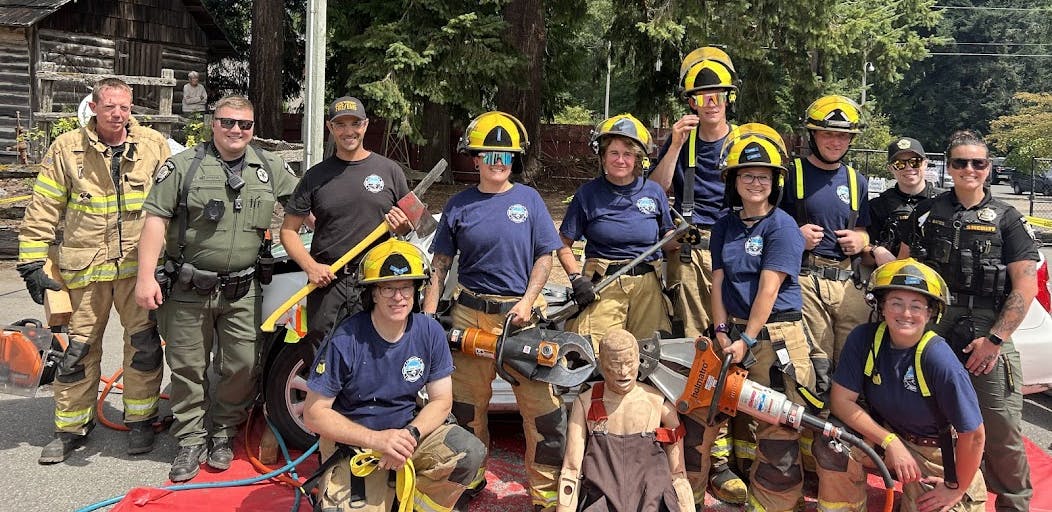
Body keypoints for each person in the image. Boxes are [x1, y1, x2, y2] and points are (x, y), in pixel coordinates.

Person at [135, 95, 299, 482]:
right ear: (213, 124)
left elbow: (309, 202)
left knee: (241, 365)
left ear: (253, 128)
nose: (236, 130)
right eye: (228, 122)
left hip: (243, 291)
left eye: (244, 124)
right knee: (189, 366)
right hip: (189, 289)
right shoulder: (183, 166)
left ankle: (224, 433)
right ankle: (191, 439)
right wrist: (145, 277)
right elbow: (155, 220)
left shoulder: (269, 166)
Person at [18, 77, 171, 464]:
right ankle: (70, 428)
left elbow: (173, 203)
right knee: (78, 353)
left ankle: (141, 420)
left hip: (138, 271)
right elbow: (43, 208)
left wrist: (171, 259)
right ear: (94, 107)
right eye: (109, 107)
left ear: (131, 106)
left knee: (144, 347)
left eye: (124, 107)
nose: (117, 115)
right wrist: (32, 263)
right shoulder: (67, 149)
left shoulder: (154, 145)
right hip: (84, 271)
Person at [421, 111, 565, 511]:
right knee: (467, 408)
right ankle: (473, 478)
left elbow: (545, 257)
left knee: (544, 415)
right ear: (475, 158)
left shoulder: (530, 200)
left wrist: (528, 300)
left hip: (520, 320)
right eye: (489, 154)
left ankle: (545, 496)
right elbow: (440, 265)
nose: (497, 162)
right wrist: (430, 318)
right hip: (469, 318)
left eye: (505, 156)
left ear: (513, 160)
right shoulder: (458, 205)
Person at [901, 130, 1038, 511]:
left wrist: (995, 341)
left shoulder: (1008, 219)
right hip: (933, 326)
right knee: (925, 416)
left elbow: (1026, 285)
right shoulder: (928, 211)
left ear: (988, 168)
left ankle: (1014, 503)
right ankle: (937, 495)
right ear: (949, 167)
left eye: (978, 162)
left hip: (987, 330)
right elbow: (906, 268)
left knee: (1001, 428)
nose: (969, 169)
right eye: (960, 162)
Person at [302, 239, 486, 511]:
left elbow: (441, 401)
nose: (398, 297)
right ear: (373, 293)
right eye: (388, 287)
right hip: (356, 445)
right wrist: (378, 440)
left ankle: (412, 504)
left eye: (405, 287)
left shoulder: (429, 332)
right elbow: (314, 414)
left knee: (469, 452)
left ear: (417, 289)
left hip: (407, 436)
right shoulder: (346, 338)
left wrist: (409, 436)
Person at [648, 46, 747, 505]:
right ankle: (704, 452)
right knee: (697, 350)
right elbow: (656, 192)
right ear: (691, 100)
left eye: (718, 94)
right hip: (690, 255)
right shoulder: (679, 141)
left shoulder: (746, 142)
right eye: (702, 94)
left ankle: (729, 453)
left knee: (739, 347)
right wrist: (672, 146)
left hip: (737, 252)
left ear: (729, 97)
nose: (711, 102)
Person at [708, 124, 820, 510]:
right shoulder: (725, 224)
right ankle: (738, 478)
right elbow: (718, 281)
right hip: (734, 331)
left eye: (763, 176)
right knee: (734, 412)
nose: (755, 183)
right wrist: (722, 332)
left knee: (777, 420)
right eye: (747, 175)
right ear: (733, 181)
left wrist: (747, 339)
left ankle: (778, 500)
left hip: (774, 336)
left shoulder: (783, 226)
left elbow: (769, 290)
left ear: (775, 182)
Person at [826, 259, 986, 512]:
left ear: (930, 313)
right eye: (896, 303)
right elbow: (840, 401)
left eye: (916, 306)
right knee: (833, 444)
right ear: (881, 306)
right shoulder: (864, 339)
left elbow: (975, 436)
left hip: (938, 456)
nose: (906, 314)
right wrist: (890, 441)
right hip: (891, 437)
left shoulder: (938, 359)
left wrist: (955, 488)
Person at [279, 96, 411, 351]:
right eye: (340, 125)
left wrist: (402, 227)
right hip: (329, 285)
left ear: (366, 125)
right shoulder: (315, 176)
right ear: (330, 128)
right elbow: (288, 231)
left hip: (377, 283)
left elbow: (415, 227)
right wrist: (311, 267)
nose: (348, 131)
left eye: (355, 123)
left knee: (377, 356)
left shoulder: (390, 171)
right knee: (325, 359)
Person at [556, 114, 674, 344]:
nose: (620, 160)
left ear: (638, 159)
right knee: (598, 353)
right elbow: (563, 243)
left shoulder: (654, 192)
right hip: (603, 285)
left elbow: (667, 236)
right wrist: (576, 279)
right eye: (614, 153)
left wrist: (680, 238)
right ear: (602, 156)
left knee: (649, 357)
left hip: (648, 287)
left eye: (627, 154)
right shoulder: (587, 194)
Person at [558, 328, 693, 512]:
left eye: (629, 363)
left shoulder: (658, 402)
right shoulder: (584, 403)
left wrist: (686, 508)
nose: (623, 372)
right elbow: (571, 470)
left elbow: (678, 473)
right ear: (602, 364)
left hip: (652, 500)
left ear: (639, 360)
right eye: (615, 364)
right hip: (601, 502)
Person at [864, 137, 936, 268]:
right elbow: (862, 247)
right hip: (893, 279)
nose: (908, 168)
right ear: (891, 168)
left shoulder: (942, 201)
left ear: (925, 164)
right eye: (899, 164)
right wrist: (876, 250)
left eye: (915, 162)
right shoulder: (878, 206)